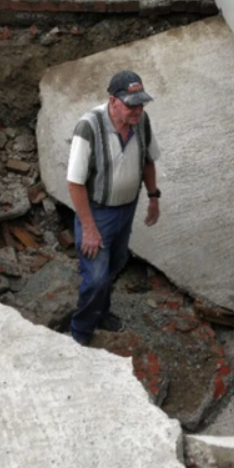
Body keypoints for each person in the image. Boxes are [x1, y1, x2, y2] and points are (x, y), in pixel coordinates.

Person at [65, 70, 162, 345]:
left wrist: (153, 197)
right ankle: (80, 332)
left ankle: (102, 312)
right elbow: (75, 183)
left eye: (141, 104)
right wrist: (90, 228)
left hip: (126, 209)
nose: (138, 111)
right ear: (112, 101)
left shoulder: (141, 122)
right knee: (95, 277)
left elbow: (148, 161)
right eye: (132, 105)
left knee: (115, 263)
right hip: (97, 213)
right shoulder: (89, 127)